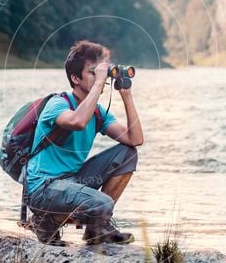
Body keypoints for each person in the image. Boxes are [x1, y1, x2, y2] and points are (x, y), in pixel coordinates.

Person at [25, 39, 144, 246]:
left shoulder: (98, 113)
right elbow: (77, 122)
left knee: (128, 153)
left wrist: (126, 96)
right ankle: (45, 220)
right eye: (93, 71)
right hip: (43, 188)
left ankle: (96, 229)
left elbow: (135, 139)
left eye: (101, 70)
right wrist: (99, 82)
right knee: (102, 203)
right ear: (75, 78)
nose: (101, 75)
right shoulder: (57, 104)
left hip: (71, 181)